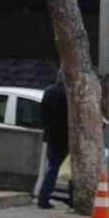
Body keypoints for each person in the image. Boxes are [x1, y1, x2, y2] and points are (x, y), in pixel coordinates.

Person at [37, 79, 69, 209]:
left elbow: (42, 114)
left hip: (51, 136)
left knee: (52, 169)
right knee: (71, 169)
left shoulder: (48, 92)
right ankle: (73, 199)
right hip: (66, 137)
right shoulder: (68, 94)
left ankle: (43, 197)